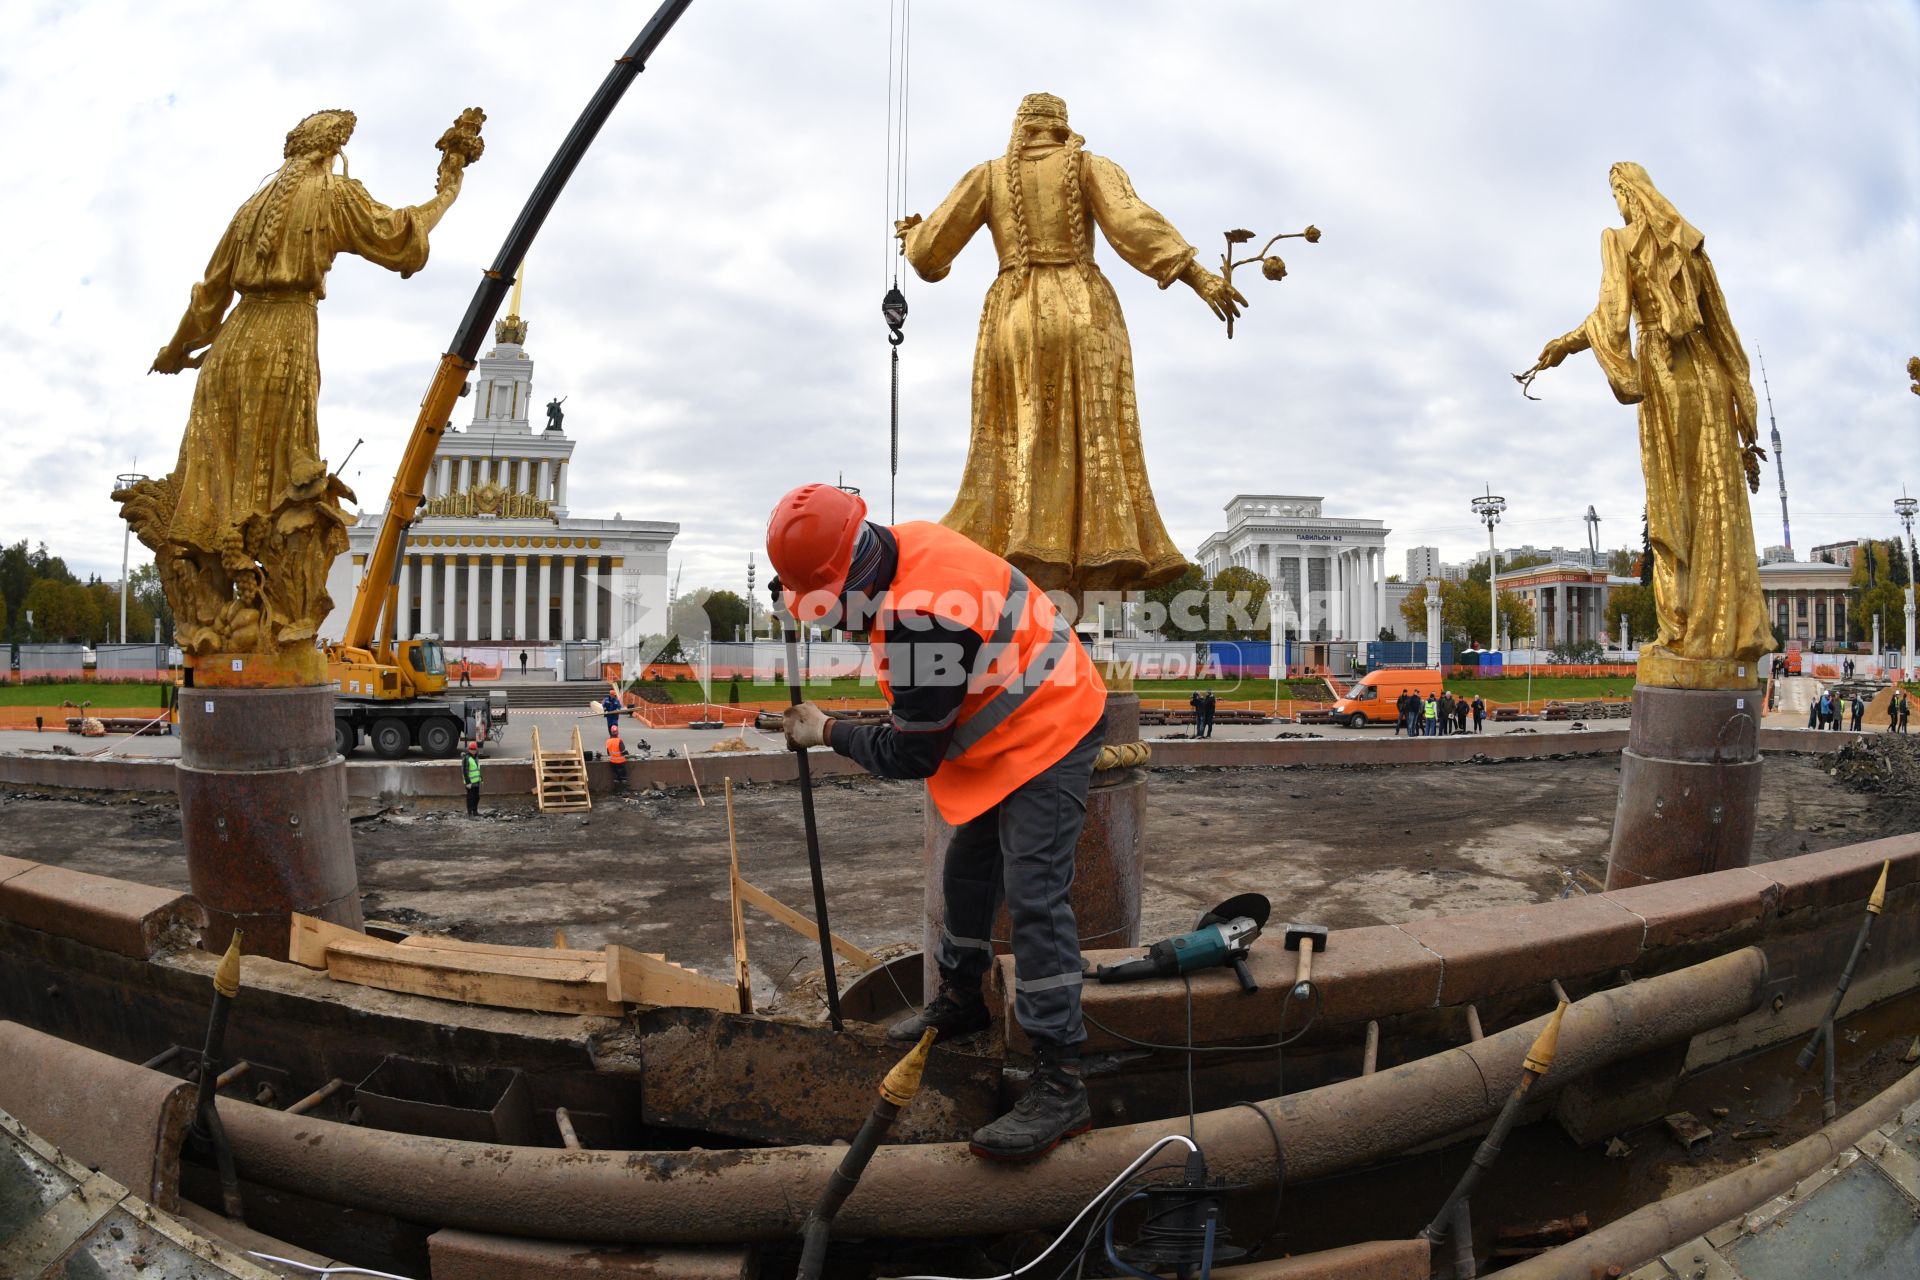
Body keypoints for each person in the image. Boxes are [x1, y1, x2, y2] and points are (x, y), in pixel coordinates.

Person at [767, 482, 1108, 1162]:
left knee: (1035, 894)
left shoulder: (922, 620)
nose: (834, 626)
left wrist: (826, 730)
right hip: (1008, 720)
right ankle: (961, 999)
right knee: (969, 866)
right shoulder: (903, 546)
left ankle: (1063, 1079)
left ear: (853, 580)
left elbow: (910, 752)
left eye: (831, 608)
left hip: (1053, 721)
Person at [895, 94, 1244, 597]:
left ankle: (1024, 549)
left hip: (1015, 313)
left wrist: (911, 236)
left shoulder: (989, 175)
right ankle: (1082, 560)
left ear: (1020, 128)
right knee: (1096, 436)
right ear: (1062, 128)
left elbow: (929, 259)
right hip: (1086, 311)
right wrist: (1199, 275)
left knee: (1022, 432)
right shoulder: (1090, 167)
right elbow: (1131, 224)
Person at [461, 740, 482, 817]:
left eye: (474, 749)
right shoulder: (467, 758)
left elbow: (477, 769)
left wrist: (481, 778)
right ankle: (470, 813)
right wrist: (468, 782)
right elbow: (465, 771)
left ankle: (475, 811)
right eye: (472, 749)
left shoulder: (476, 757)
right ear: (469, 749)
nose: (473, 751)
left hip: (476, 781)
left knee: (476, 797)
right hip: (470, 782)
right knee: (470, 797)